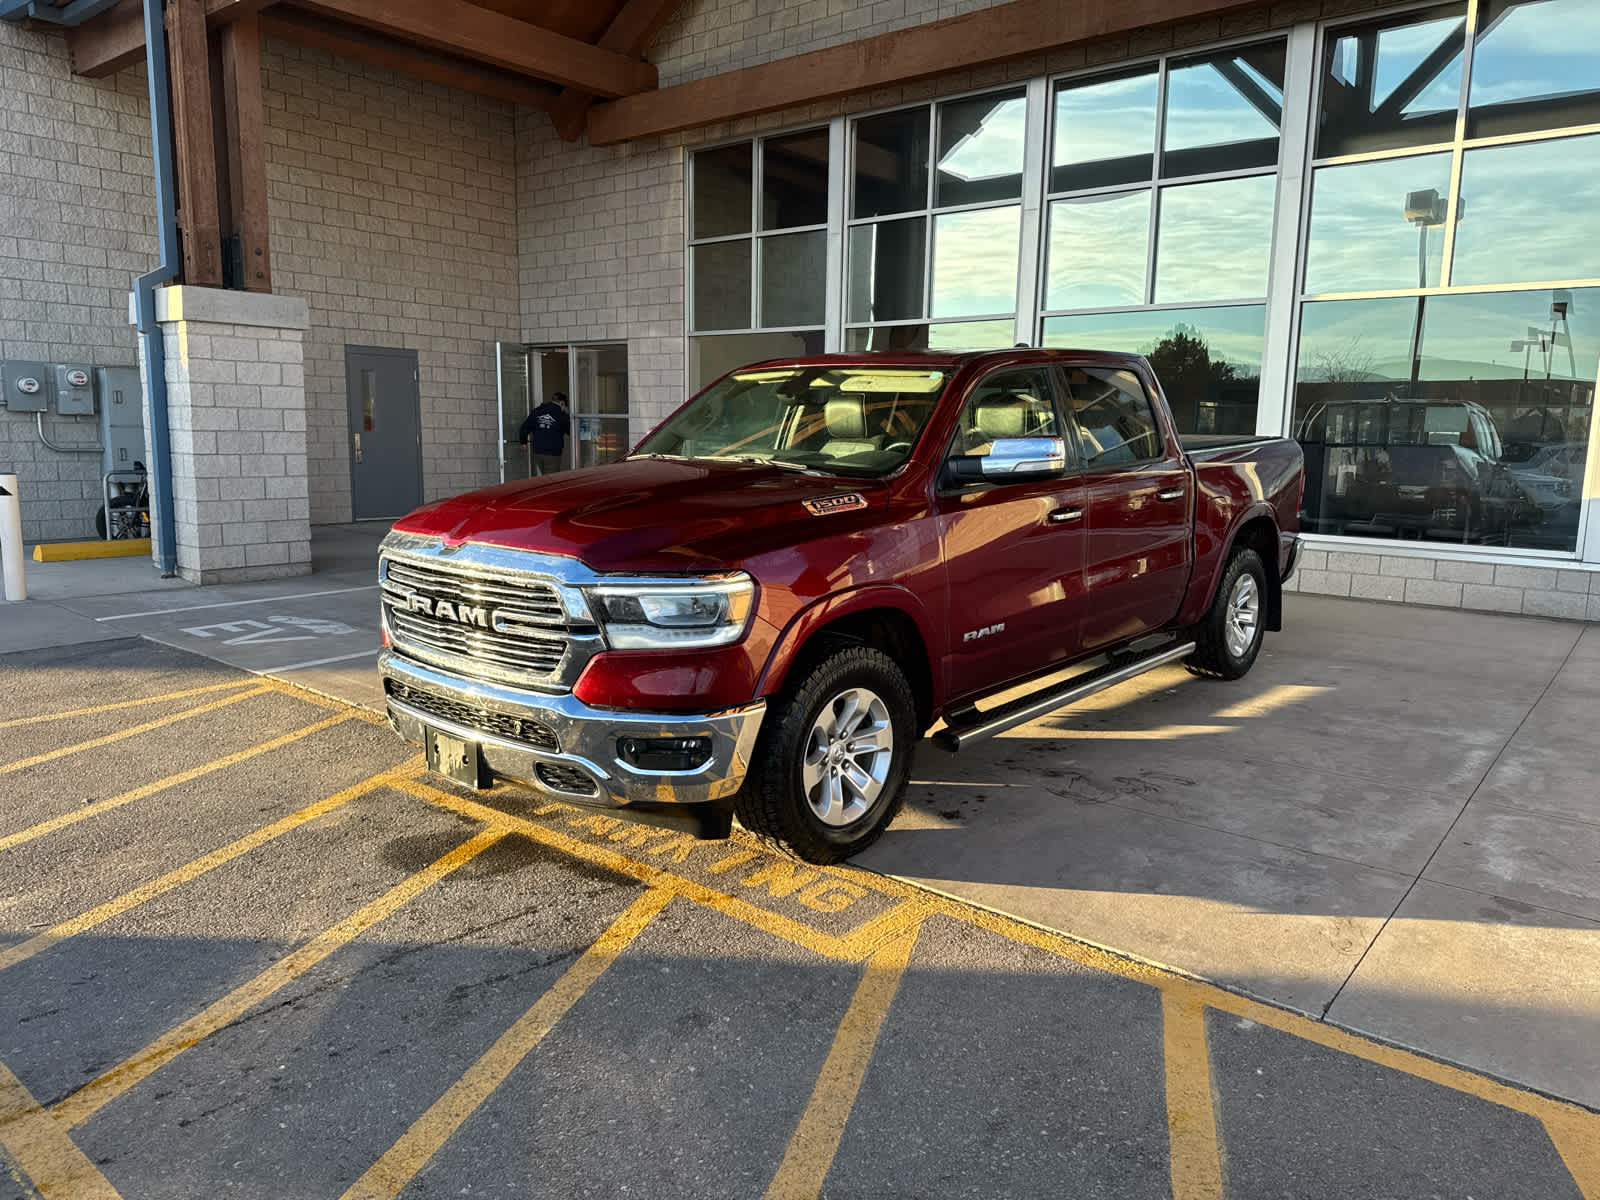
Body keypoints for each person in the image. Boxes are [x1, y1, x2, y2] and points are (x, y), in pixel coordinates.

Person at [518, 391, 570, 475]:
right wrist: (567, 415)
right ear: (562, 403)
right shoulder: (561, 414)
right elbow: (571, 431)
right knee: (551, 480)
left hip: (537, 452)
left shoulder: (538, 410)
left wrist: (523, 442)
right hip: (552, 453)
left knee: (544, 477)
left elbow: (524, 427)